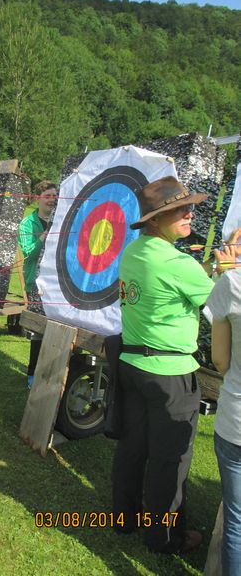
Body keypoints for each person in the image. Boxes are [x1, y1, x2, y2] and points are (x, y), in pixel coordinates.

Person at [112, 175, 216, 553]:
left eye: (189, 207)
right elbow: (227, 307)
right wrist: (231, 269)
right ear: (155, 219)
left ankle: (124, 518)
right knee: (169, 460)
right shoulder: (178, 263)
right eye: (178, 210)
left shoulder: (132, 252)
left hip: (132, 365)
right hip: (170, 375)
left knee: (133, 446)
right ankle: (164, 536)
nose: (189, 213)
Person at [206, 234, 241, 575]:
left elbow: (220, 361)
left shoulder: (232, 282)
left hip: (236, 423)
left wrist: (226, 274)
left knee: (237, 523)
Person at [18, 180, 57, 388]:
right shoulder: (27, 224)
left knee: (55, 331)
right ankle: (33, 374)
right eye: (48, 196)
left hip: (56, 286)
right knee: (37, 332)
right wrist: (44, 235)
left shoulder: (60, 219)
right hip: (36, 285)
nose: (52, 200)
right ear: (38, 199)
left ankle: (49, 372)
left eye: (54, 196)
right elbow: (28, 254)